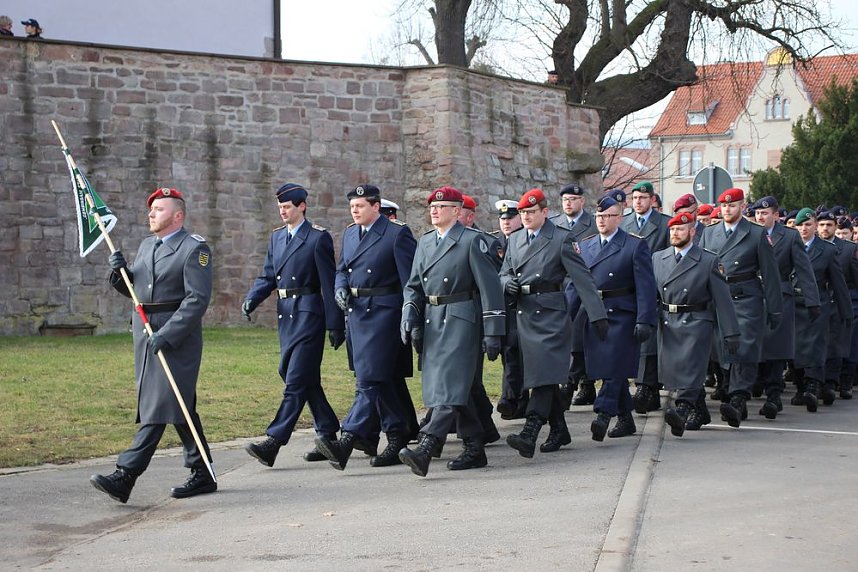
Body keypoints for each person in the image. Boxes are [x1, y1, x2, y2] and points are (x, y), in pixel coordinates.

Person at [90, 187, 216, 503]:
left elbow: (196, 300)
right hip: (146, 333)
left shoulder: (194, 249)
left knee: (161, 405)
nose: (151, 214)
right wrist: (120, 274)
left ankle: (126, 475)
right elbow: (140, 290)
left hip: (177, 338)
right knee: (178, 404)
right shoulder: (148, 245)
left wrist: (169, 334)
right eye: (151, 209)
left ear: (177, 215)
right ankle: (203, 472)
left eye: (158, 209)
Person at [398, 186, 506, 477]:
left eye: (442, 206)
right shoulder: (426, 242)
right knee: (461, 387)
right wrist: (412, 316)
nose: (434, 210)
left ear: (457, 211)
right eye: (432, 206)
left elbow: (490, 288)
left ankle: (426, 445)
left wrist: (493, 330)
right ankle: (474, 448)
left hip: (462, 318)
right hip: (434, 318)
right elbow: (414, 286)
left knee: (450, 385)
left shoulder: (472, 241)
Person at [241, 183, 345, 467]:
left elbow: (328, 281)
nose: (283, 212)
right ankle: (328, 434)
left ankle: (274, 441)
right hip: (286, 313)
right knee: (296, 375)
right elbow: (268, 276)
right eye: (280, 208)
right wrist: (252, 299)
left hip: (309, 313)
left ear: (302, 206)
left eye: (287, 207)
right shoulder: (276, 239)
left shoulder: (317, 238)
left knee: (296, 379)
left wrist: (335, 324)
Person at [315, 185, 417, 470]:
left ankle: (346, 439)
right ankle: (398, 436)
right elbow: (341, 269)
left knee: (369, 380)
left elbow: (410, 281)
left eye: (360, 206)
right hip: (357, 314)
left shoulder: (397, 234)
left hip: (385, 314)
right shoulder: (350, 233)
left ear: (376, 206)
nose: (355, 211)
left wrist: (411, 315)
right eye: (352, 207)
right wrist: (340, 288)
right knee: (382, 380)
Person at [501, 188, 608, 457]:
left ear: (545, 212)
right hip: (524, 313)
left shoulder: (560, 239)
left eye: (531, 212)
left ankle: (531, 431)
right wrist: (507, 284)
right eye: (523, 212)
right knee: (539, 374)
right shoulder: (515, 240)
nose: (525, 217)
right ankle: (559, 429)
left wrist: (597, 315)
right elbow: (503, 272)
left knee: (544, 375)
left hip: (550, 313)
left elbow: (582, 278)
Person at [698, 188, 783, 427]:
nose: (727, 210)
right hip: (716, 298)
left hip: (745, 297)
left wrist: (775, 309)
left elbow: (771, 274)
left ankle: (738, 398)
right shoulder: (709, 233)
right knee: (721, 350)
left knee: (743, 349)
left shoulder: (756, 234)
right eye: (724, 206)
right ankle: (731, 392)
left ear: (743, 207)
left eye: (732, 205)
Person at [576, 194, 657, 441]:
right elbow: (577, 283)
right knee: (609, 366)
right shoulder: (586, 244)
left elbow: (645, 285)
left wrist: (645, 319)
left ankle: (603, 413)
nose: (602, 220)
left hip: (622, 312)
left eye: (608, 216)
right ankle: (626, 419)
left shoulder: (634, 244)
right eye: (599, 216)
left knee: (613, 366)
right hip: (594, 311)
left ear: (620, 218)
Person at [653, 212, 740, 436]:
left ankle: (681, 410)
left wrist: (731, 333)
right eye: (672, 229)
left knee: (691, 368)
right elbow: (651, 293)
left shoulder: (708, 260)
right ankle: (700, 410)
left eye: (680, 229)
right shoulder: (658, 258)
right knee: (678, 371)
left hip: (696, 321)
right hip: (667, 320)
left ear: (692, 232)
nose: (675, 233)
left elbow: (723, 300)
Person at [753, 196, 819, 419]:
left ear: (776, 215)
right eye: (758, 214)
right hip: (751, 297)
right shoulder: (749, 234)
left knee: (775, 350)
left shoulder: (789, 237)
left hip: (780, 297)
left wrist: (812, 301)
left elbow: (804, 270)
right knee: (753, 348)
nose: (761, 217)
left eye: (765, 213)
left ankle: (773, 396)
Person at [790, 208, 850, 411]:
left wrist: (846, 312)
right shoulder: (786, 246)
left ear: (815, 226)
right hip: (792, 305)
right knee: (795, 349)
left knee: (815, 347)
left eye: (808, 224)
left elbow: (838, 284)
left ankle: (813, 386)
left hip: (817, 306)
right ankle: (800, 386)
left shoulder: (827, 250)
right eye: (800, 225)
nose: (804, 229)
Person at [621, 180, 670, 414]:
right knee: (633, 339)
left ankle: (647, 386)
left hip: (654, 287)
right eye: (635, 198)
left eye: (642, 198)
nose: (638, 202)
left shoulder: (664, 224)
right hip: (629, 287)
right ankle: (642, 387)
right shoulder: (624, 222)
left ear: (652, 199)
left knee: (650, 340)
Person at [549, 183, 599, 407]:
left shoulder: (592, 224)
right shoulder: (555, 225)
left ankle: (575, 382)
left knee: (580, 336)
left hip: (586, 286)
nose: (568, 203)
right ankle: (579, 382)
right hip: (562, 287)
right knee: (566, 337)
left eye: (572, 199)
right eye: (565, 200)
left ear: (582, 201)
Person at [817, 208, 858, 403]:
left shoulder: (848, 249)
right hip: (817, 302)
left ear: (835, 227)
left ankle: (834, 383)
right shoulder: (808, 246)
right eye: (822, 225)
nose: (825, 229)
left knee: (837, 344)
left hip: (840, 302)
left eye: (829, 225)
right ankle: (815, 382)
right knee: (817, 344)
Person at [493, 199, 528, 420]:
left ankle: (513, 397)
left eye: (511, 218)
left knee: (517, 352)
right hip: (501, 306)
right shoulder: (493, 242)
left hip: (523, 305)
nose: (506, 222)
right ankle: (515, 398)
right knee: (508, 352)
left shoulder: (526, 240)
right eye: (503, 218)